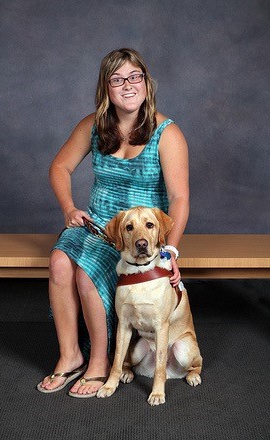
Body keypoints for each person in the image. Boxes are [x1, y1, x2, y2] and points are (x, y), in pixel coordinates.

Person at [37, 48, 189, 398]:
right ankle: (69, 354)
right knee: (59, 263)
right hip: (96, 226)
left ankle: (101, 363)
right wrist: (68, 208)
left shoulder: (168, 134)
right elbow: (59, 168)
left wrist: (170, 252)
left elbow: (179, 199)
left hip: (137, 237)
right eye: (117, 79)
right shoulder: (92, 126)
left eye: (135, 77)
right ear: (106, 88)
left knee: (84, 273)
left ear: (146, 83)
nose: (128, 85)